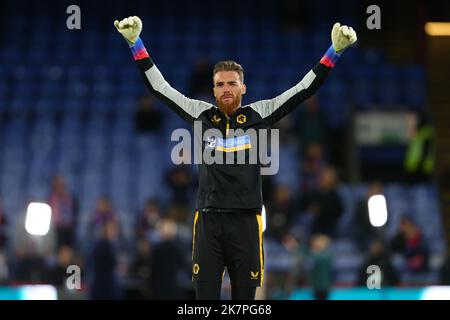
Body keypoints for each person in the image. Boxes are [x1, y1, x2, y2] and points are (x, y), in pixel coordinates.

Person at [115, 16, 357, 300]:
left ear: (244, 88)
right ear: (213, 89)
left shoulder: (260, 113)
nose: (226, 88)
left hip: (246, 222)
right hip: (208, 221)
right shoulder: (200, 114)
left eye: (232, 83)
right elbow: (160, 88)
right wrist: (136, 44)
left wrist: (334, 52)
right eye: (220, 84)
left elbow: (303, 90)